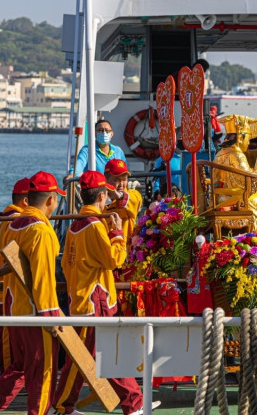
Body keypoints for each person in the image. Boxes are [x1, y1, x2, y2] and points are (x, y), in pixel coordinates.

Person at [52, 171, 157, 414]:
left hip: (80, 297)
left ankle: (63, 405)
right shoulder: (96, 226)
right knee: (102, 355)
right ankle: (132, 403)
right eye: (106, 195)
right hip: (95, 300)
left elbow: (66, 265)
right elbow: (114, 260)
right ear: (101, 195)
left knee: (83, 358)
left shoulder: (73, 226)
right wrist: (118, 234)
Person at [0, 171, 65, 415]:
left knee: (18, 369)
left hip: (15, 310)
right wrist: (51, 317)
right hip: (36, 313)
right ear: (51, 200)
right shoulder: (40, 231)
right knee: (43, 372)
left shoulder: (13, 225)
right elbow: (42, 278)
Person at [0, 177, 30, 374]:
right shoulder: (16, 220)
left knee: (9, 340)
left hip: (4, 287)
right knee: (7, 344)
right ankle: (7, 379)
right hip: (7, 288)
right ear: (26, 201)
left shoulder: (7, 219)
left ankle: (9, 379)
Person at [213, 115, 257, 232]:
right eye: (248, 139)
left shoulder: (220, 153)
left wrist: (255, 174)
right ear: (241, 138)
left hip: (221, 195)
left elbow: (239, 175)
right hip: (234, 197)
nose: (248, 143)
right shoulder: (237, 155)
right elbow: (244, 181)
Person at [104, 159, 143, 244]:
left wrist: (120, 196)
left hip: (126, 250)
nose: (121, 184)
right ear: (106, 180)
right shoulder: (100, 200)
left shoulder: (133, 195)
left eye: (124, 179)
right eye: (116, 179)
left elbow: (136, 199)